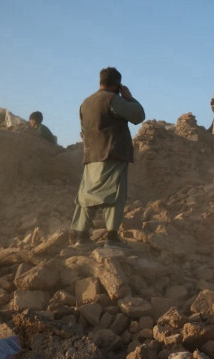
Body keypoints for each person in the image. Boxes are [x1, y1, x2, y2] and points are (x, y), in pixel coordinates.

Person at [70, 67, 145, 248]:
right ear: (117, 84)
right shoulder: (113, 100)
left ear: (100, 81)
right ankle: (112, 236)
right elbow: (138, 115)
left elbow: (83, 130)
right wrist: (128, 97)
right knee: (115, 194)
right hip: (112, 154)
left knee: (87, 195)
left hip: (91, 156)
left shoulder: (85, 103)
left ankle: (80, 235)